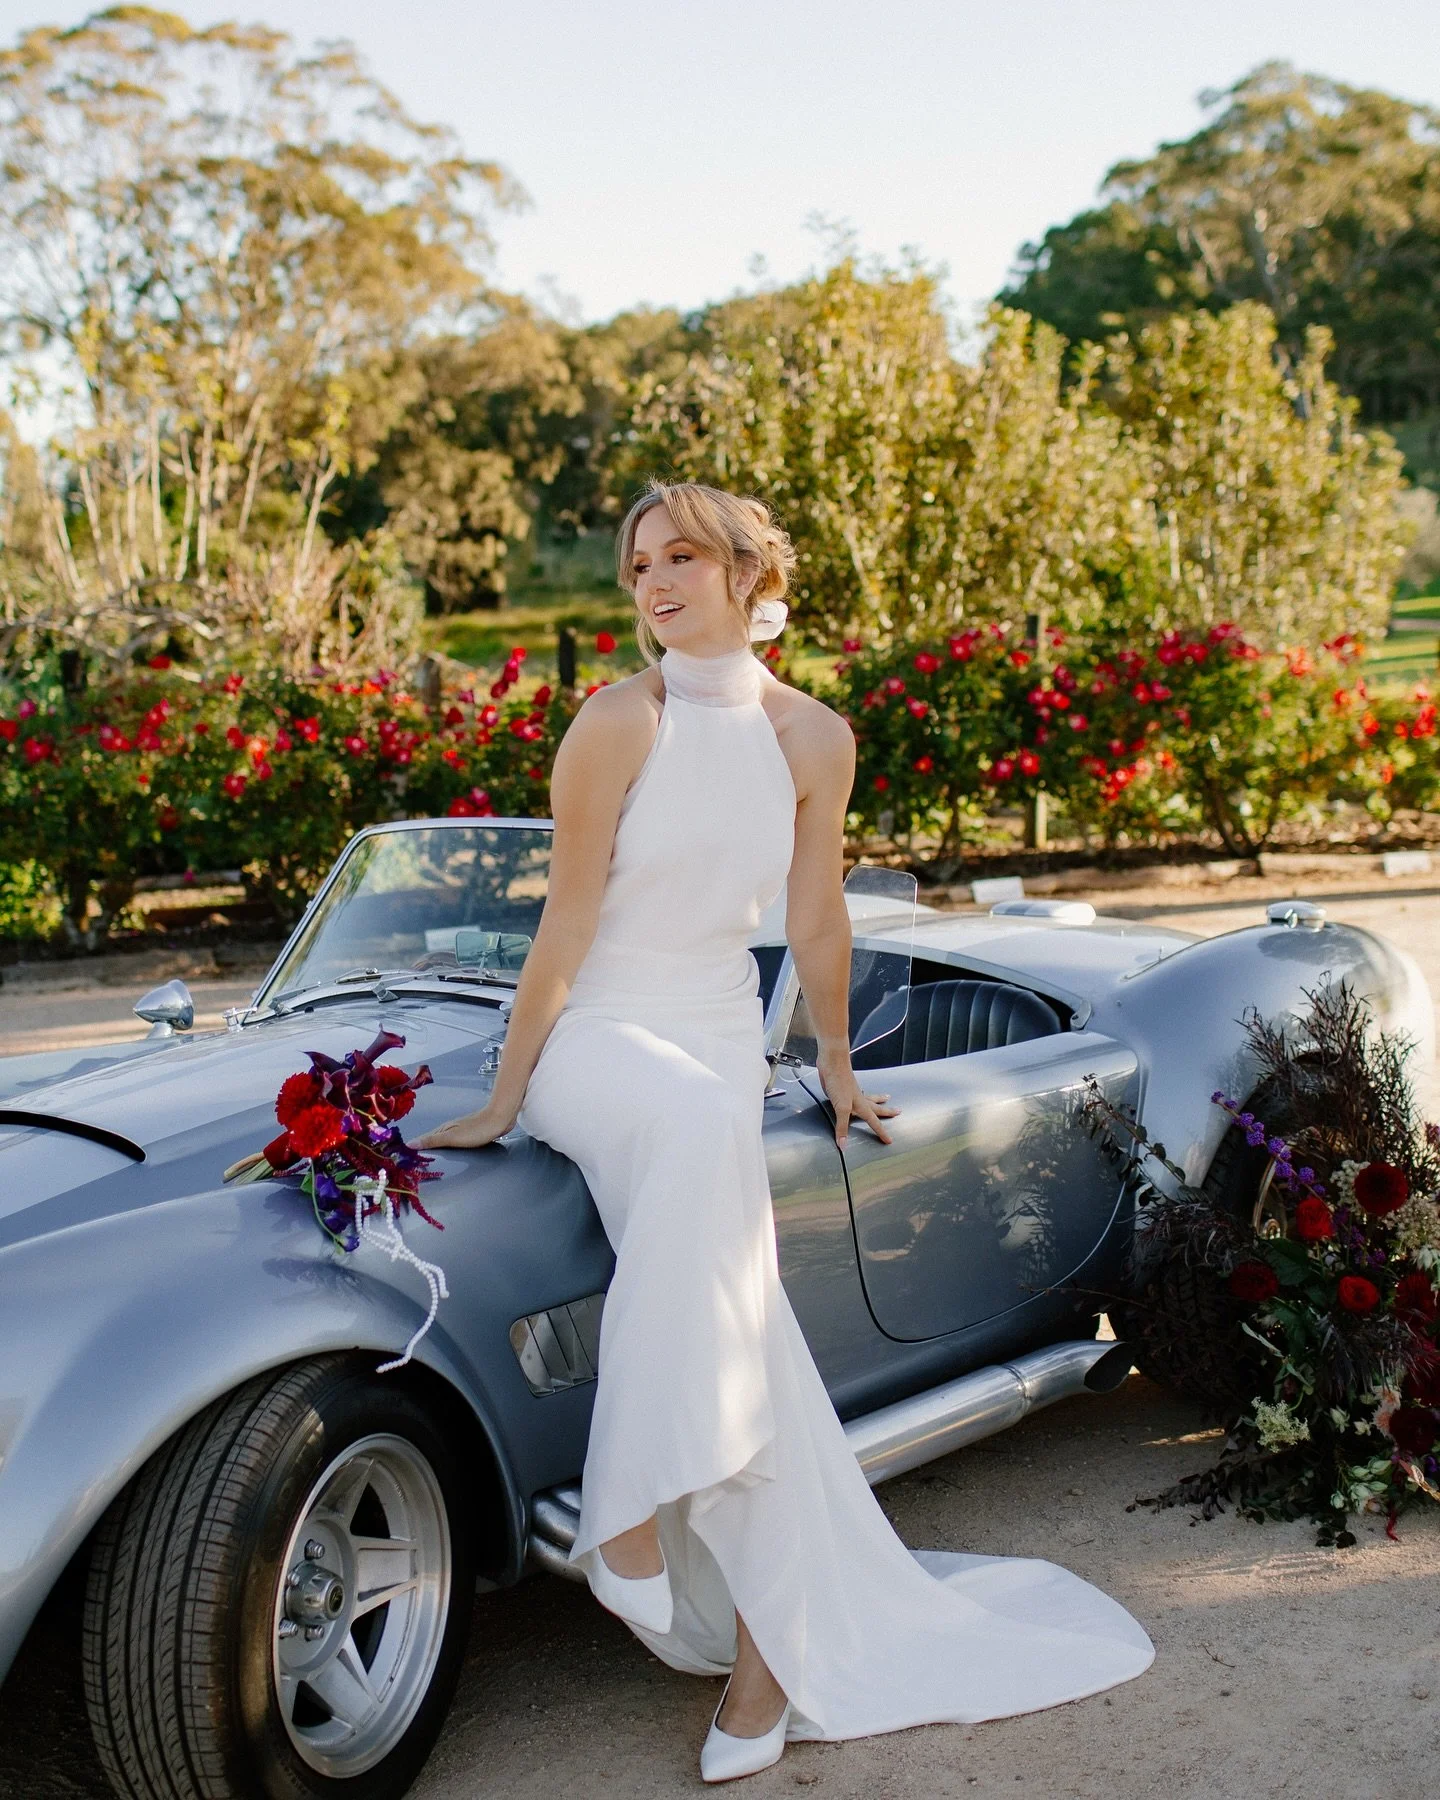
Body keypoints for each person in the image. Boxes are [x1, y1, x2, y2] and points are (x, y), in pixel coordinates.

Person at [416, 482, 1153, 1783]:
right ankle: (630, 1520)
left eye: (681, 555)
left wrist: (833, 1059)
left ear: (748, 572)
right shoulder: (613, 723)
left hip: (715, 1040)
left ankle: (760, 1662)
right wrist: (508, 1087)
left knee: (745, 1314)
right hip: (600, 1038)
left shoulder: (816, 737)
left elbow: (817, 920)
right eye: (637, 561)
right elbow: (567, 928)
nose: (651, 580)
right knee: (710, 1143)